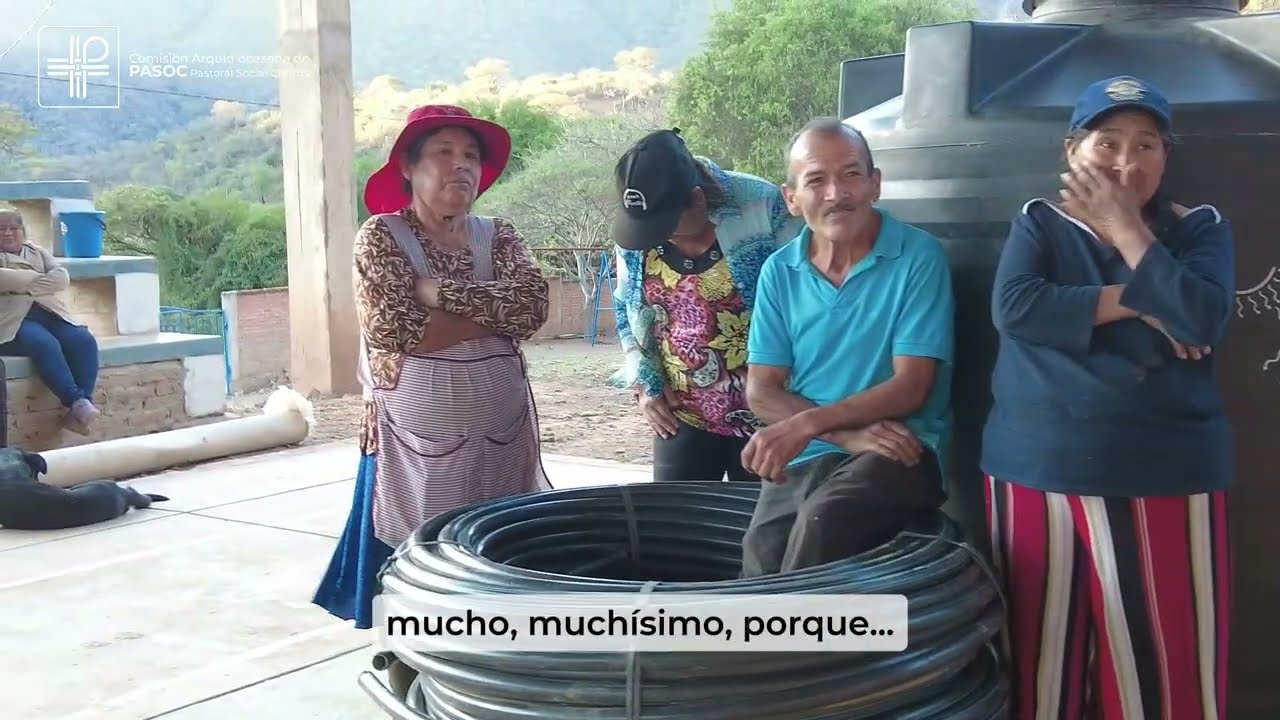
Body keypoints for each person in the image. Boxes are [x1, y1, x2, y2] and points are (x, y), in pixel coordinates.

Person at [981, 75, 1234, 720]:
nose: (1126, 161)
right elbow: (1015, 309)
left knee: (1167, 677)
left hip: (1162, 478)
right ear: (1073, 150)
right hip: (1034, 471)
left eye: (1147, 144)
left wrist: (1128, 232)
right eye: (1108, 141)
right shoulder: (1040, 223)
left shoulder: (1198, 229)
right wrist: (1139, 301)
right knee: (1038, 672)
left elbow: (1201, 318)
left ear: (1166, 157)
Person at [312, 105, 552, 643]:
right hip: (413, 445)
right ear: (408, 168)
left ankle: (492, 653)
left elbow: (532, 310)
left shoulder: (500, 235)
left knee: (499, 546)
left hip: (502, 437)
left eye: (470, 156)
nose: (460, 167)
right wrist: (491, 316)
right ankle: (422, 661)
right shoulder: (381, 238)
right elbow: (397, 331)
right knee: (420, 558)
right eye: (443, 153)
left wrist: (437, 294)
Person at [736, 117, 955, 577]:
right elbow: (761, 390)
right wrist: (841, 435)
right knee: (762, 553)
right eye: (816, 180)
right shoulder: (780, 271)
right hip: (819, 449)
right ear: (791, 199)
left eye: (852, 174)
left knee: (826, 521)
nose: (837, 193)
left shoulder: (917, 256)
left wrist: (809, 424)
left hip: (902, 449)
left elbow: (912, 386)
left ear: (875, 184)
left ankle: (806, 648)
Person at [610, 128, 803, 483]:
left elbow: (807, 299)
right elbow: (626, 305)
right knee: (677, 530)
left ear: (698, 199)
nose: (655, 237)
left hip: (771, 419)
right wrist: (644, 381)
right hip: (682, 417)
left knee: (758, 533)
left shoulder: (762, 205)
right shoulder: (638, 227)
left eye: (666, 226)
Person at [0, 209, 100, 435]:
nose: (7, 233)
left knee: (83, 340)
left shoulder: (37, 252)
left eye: (13, 228)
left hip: (49, 312)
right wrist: (39, 281)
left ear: (22, 232)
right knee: (44, 344)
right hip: (12, 321)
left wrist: (21, 285)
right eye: (1, 229)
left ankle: (82, 406)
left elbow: (62, 278)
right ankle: (76, 401)